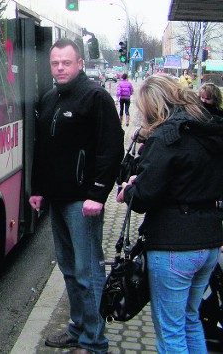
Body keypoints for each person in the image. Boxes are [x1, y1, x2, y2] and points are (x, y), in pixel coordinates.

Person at [29, 38, 124, 354]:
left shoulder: (95, 97)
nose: (59, 68)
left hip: (82, 204)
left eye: (66, 62)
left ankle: (94, 341)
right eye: (55, 63)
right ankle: (78, 328)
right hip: (58, 200)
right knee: (69, 270)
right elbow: (43, 150)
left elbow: (111, 149)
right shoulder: (51, 97)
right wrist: (38, 189)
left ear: (80, 63)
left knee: (88, 273)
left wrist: (98, 193)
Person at [117, 74, 223, 353]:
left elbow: (144, 196)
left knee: (170, 331)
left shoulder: (167, 137)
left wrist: (128, 190)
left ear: (154, 106)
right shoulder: (208, 129)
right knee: (191, 321)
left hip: (175, 245)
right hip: (210, 241)